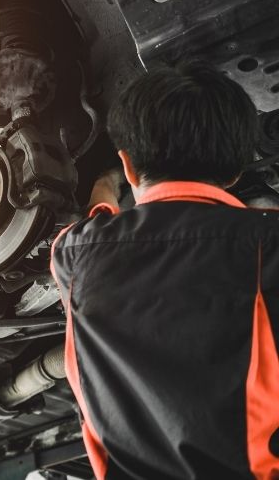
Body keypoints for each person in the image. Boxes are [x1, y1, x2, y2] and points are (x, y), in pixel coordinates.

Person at [50, 60, 279, 479]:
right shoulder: (268, 243)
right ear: (235, 173)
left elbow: (91, 221)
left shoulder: (74, 253)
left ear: (129, 166)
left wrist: (106, 181)